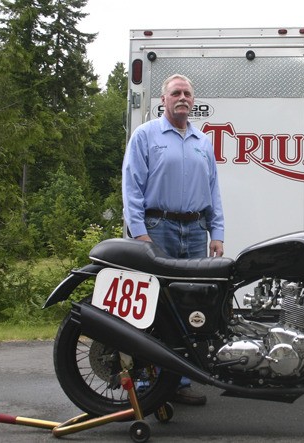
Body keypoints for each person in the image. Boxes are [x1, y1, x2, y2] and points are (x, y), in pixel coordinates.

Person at [122, 73, 224, 406]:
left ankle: (178, 382)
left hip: (195, 232)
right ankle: (144, 380)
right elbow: (132, 187)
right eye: (176, 93)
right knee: (152, 306)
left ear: (193, 101)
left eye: (187, 93)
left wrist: (216, 233)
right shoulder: (145, 136)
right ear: (163, 100)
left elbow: (213, 191)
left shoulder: (202, 141)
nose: (182, 97)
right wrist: (140, 233)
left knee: (188, 306)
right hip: (157, 228)